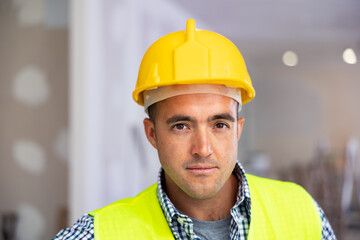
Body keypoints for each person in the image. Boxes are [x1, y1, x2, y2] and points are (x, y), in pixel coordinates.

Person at [53, 19, 336, 240]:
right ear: (152, 134)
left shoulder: (302, 212)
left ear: (237, 130)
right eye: (181, 126)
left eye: (219, 124)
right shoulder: (101, 232)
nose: (203, 148)